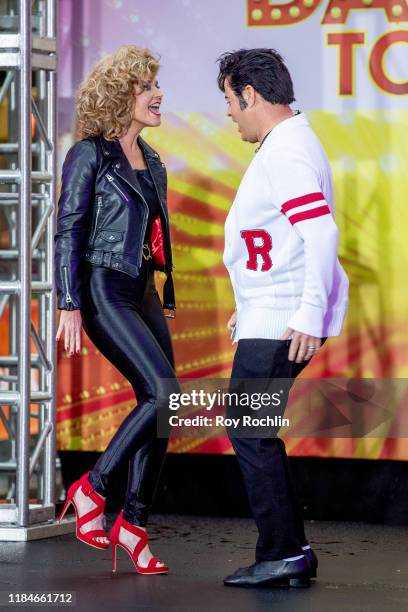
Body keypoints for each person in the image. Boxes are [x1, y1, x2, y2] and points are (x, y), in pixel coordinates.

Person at [217, 49, 349, 588]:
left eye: (229, 99)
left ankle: (283, 553)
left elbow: (321, 235)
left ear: (250, 94)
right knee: (256, 430)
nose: (228, 112)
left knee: (249, 431)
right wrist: (248, 307)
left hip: (281, 320)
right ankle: (292, 551)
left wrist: (308, 314)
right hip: (271, 313)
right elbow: (280, 241)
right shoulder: (288, 143)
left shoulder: (286, 150)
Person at [54, 45, 178, 575]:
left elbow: (152, 236)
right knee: (163, 391)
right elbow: (69, 228)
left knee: (166, 403)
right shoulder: (90, 154)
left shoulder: (151, 160)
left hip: (143, 290)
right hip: (104, 287)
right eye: (147, 85)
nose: (158, 94)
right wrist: (68, 300)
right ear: (121, 92)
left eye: (156, 84)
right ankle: (94, 487)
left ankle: (133, 524)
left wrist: (163, 291)